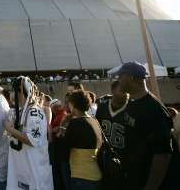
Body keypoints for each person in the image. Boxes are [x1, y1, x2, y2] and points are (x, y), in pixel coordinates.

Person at [116, 62, 174, 190]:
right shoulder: (131, 102)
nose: (118, 79)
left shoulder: (154, 109)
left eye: (121, 76)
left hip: (148, 181)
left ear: (131, 78)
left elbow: (163, 155)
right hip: (134, 178)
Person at [4, 76, 54, 190]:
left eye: (13, 90)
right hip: (22, 169)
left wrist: (10, 129)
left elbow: (32, 140)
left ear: (21, 91)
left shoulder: (34, 111)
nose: (12, 93)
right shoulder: (22, 111)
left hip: (33, 171)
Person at [63, 89, 102, 189]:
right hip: (96, 174)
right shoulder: (94, 121)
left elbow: (63, 151)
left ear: (73, 104)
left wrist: (63, 131)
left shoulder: (75, 123)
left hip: (81, 177)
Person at [95, 81, 128, 159]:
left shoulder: (131, 109)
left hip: (123, 156)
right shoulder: (102, 107)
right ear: (113, 91)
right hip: (104, 154)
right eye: (123, 91)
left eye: (127, 91)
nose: (126, 94)